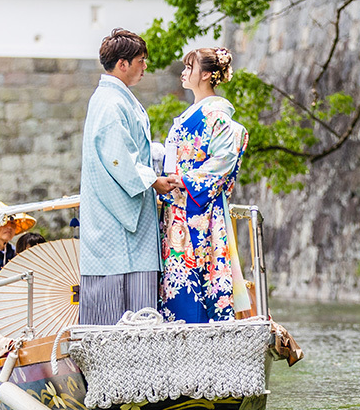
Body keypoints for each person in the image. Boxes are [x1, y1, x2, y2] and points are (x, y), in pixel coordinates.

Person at [78, 28, 179, 325]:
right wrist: (153, 181)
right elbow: (120, 158)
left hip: (116, 215)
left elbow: (129, 150)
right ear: (122, 64)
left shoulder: (114, 99)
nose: (145, 66)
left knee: (120, 304)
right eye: (141, 60)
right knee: (122, 312)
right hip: (118, 223)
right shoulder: (111, 103)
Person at [160, 47, 250, 323]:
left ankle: (200, 332)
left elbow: (224, 158)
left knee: (196, 271)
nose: (184, 73)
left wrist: (185, 180)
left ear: (208, 75)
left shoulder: (216, 114)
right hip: (179, 204)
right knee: (178, 274)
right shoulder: (196, 112)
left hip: (198, 207)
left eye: (190, 67)